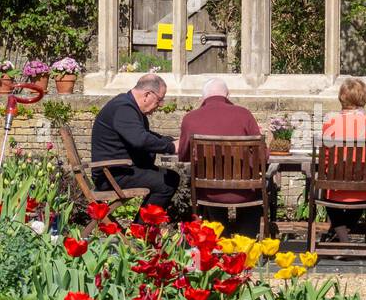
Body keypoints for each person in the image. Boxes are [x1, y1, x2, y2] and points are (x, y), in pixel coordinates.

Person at [177, 77, 268, 237]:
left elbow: (183, 156)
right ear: (227, 95)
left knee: (210, 189)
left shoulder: (190, 118)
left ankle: (220, 237)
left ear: (203, 97)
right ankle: (246, 242)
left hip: (208, 191)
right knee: (259, 189)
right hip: (245, 191)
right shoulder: (244, 114)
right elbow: (263, 155)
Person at [89, 73, 178, 216]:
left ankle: (141, 229)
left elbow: (144, 135)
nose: (160, 105)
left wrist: (169, 141)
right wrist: (172, 147)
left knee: (169, 176)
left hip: (119, 171)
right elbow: (140, 140)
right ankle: (141, 231)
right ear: (147, 95)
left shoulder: (127, 105)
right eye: (159, 100)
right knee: (166, 183)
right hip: (111, 176)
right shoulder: (124, 108)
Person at [319, 77, 366, 244]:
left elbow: (325, 159)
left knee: (323, 187)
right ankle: (343, 240)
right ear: (364, 98)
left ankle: (343, 241)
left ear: (342, 97)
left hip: (335, 190)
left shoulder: (331, 123)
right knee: (362, 193)